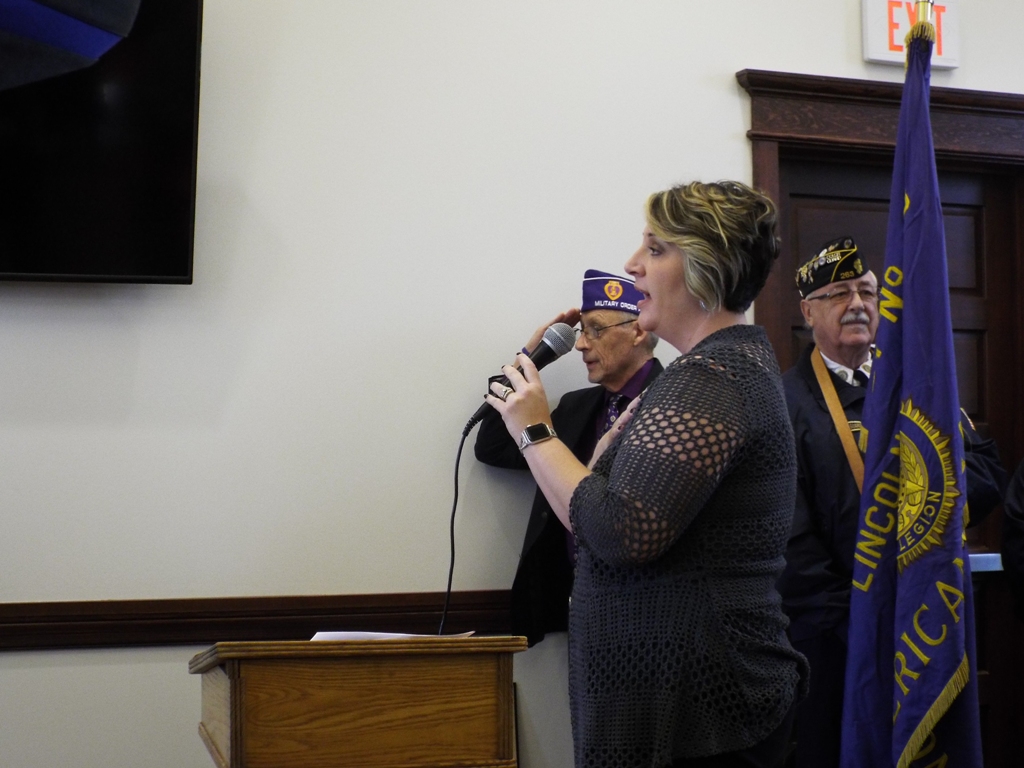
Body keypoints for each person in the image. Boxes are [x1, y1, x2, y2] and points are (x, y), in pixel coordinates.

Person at [485, 180, 808, 768]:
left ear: (707, 267)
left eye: (656, 249)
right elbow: (608, 517)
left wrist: (537, 432)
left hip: (701, 709)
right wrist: (591, 467)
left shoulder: (711, 376)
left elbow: (620, 532)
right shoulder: (713, 369)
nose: (633, 264)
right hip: (679, 703)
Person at [778, 236, 1008, 768]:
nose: (858, 304)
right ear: (808, 311)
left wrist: (921, 507)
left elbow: (985, 471)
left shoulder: (916, 387)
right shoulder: (785, 401)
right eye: (839, 293)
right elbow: (791, 539)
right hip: (835, 638)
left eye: (867, 291)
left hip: (925, 616)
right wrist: (860, 617)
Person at [474, 269, 663, 647]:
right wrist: (529, 360)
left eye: (596, 330)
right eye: (581, 331)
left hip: (650, 606)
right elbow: (492, 448)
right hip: (578, 605)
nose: (580, 345)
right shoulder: (578, 407)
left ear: (638, 331)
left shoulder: (672, 401)